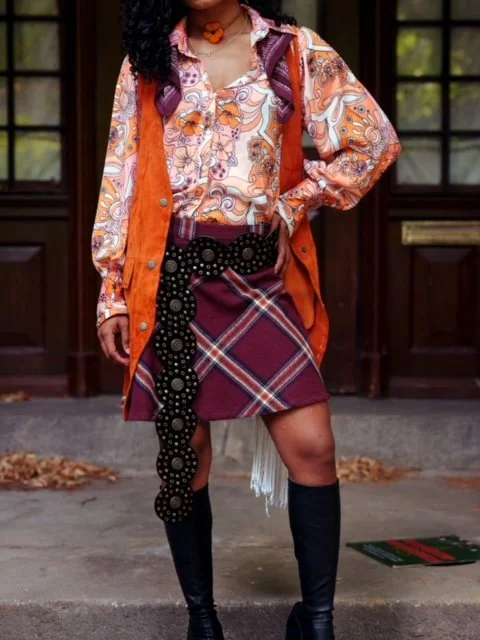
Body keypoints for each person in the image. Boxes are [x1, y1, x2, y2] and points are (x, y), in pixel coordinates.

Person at [91, 1, 401, 638]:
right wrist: (112, 292)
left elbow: (374, 143)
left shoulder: (293, 51)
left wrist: (295, 203)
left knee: (313, 446)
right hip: (172, 278)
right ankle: (202, 621)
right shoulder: (149, 62)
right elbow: (122, 175)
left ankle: (316, 622)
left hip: (259, 278)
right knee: (187, 456)